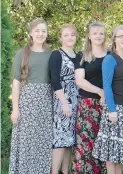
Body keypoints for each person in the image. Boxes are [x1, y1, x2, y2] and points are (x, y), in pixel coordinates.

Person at [9, 18, 53, 174]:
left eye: (43, 31)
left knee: (42, 141)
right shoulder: (22, 54)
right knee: (26, 141)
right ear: (30, 33)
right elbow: (16, 82)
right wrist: (15, 109)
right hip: (27, 103)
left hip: (46, 103)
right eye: (37, 31)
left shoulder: (52, 54)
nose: (40, 34)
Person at [92, 25, 123, 174]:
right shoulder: (110, 59)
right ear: (114, 39)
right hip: (115, 108)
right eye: (121, 36)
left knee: (121, 152)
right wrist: (111, 110)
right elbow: (107, 85)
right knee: (111, 152)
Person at [72, 22, 107, 174]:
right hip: (87, 105)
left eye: (101, 33)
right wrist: (100, 91)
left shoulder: (111, 54)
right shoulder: (82, 56)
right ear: (89, 36)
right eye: (95, 33)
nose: (98, 36)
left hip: (107, 105)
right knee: (86, 143)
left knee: (104, 142)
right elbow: (80, 81)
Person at [49, 24, 79, 174]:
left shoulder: (79, 55)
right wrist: (64, 103)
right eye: (66, 35)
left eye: (72, 34)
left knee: (69, 142)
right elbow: (55, 80)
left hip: (77, 102)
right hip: (62, 102)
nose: (69, 37)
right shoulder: (57, 54)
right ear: (60, 37)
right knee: (60, 141)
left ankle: (65, 172)